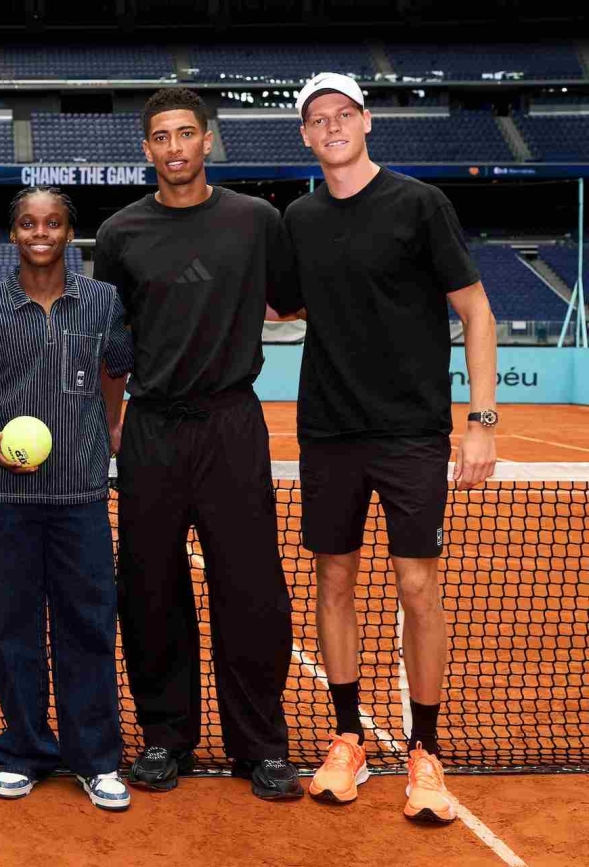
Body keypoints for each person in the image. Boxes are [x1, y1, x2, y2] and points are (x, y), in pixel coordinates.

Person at [280, 73, 498, 823]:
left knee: (416, 587)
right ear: (305, 135)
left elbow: (475, 311)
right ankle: (347, 739)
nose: (332, 126)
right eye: (318, 119)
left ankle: (425, 750)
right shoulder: (299, 218)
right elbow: (282, 300)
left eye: (344, 114)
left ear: (366, 122)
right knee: (333, 581)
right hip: (330, 432)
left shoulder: (419, 204)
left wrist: (481, 420)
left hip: (411, 432)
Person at [93, 87, 303, 801]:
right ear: (146, 149)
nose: (175, 147)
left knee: (252, 591)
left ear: (207, 141)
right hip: (151, 428)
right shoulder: (121, 233)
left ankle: (261, 746)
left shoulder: (256, 221)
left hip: (232, 424)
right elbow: (112, 345)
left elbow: (293, 299)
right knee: (149, 589)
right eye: (161, 136)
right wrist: (113, 422)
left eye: (187, 133)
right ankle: (164, 738)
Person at [0, 187, 133, 810]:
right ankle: (25, 750)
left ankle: (95, 758)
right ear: (14, 235)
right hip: (9, 494)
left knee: (88, 624)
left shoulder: (103, 301)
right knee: (15, 627)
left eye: (53, 223)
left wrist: (109, 430)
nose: (41, 232)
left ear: (69, 232)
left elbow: (115, 369)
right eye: (29, 223)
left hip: (82, 490)